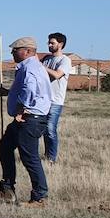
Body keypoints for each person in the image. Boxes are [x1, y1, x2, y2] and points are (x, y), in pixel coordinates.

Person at [0, 37, 53, 206]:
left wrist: (22, 109)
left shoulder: (30, 68)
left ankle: (40, 197)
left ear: (27, 51)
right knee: (4, 147)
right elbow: (28, 89)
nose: (12, 53)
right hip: (28, 117)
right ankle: (7, 190)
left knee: (30, 158)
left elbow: (30, 90)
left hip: (29, 118)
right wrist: (8, 93)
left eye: (15, 50)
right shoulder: (29, 67)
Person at [39, 32, 72, 163]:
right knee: (42, 129)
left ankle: (51, 159)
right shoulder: (46, 59)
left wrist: (42, 67)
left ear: (61, 44)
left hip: (55, 101)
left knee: (50, 129)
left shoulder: (65, 60)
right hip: (43, 100)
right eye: (49, 42)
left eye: (52, 43)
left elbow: (57, 75)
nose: (49, 45)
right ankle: (46, 156)